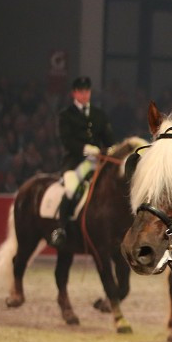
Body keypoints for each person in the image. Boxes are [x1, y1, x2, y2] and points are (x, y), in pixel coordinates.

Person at [50, 76, 113, 247]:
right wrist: (86, 148)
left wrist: (109, 151)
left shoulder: (99, 115)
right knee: (71, 189)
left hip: (97, 162)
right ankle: (61, 229)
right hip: (74, 162)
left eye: (87, 91)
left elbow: (109, 140)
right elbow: (66, 141)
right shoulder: (66, 115)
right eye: (81, 92)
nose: (85, 95)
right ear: (74, 93)